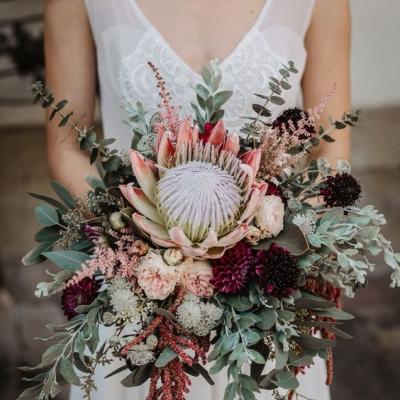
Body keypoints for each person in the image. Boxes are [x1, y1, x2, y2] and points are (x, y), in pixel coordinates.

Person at [44, 1, 351, 399]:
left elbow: (333, 155)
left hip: (269, 296)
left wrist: (269, 250)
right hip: (140, 298)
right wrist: (139, 252)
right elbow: (66, 147)